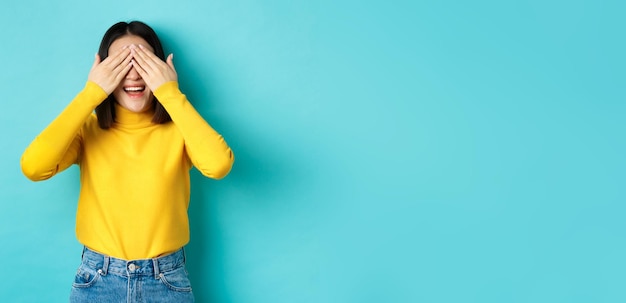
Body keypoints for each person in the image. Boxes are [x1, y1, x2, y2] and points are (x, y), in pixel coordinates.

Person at [20, 21, 234, 302]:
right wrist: (91, 93)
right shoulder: (88, 130)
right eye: (120, 63)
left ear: (161, 67)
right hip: (98, 279)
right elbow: (34, 167)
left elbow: (218, 164)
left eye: (143, 61)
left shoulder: (181, 129)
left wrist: (169, 92)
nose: (133, 74)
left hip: (167, 280)